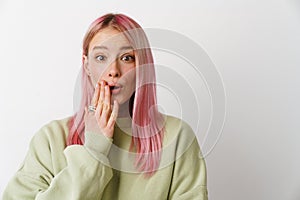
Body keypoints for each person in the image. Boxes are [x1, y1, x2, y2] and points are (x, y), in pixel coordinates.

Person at [2, 13, 208, 200]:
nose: (113, 71)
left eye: (127, 58)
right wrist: (94, 149)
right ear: (87, 66)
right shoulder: (50, 138)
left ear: (142, 67)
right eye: (101, 57)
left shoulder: (178, 137)